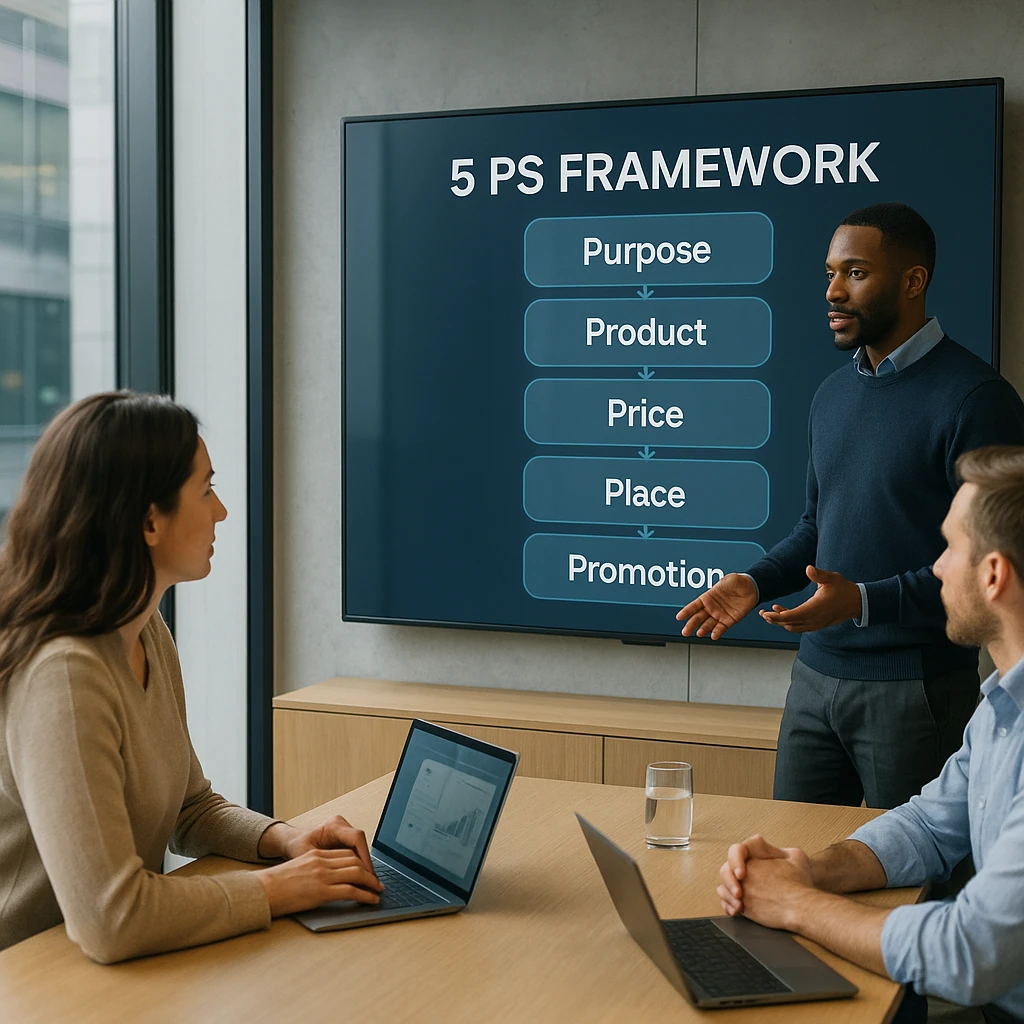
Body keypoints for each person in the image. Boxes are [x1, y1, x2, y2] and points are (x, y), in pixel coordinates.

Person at [0, 392, 384, 963]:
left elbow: (189, 809)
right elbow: (113, 918)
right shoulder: (64, 677)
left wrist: (284, 839)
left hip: (120, 975)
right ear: (150, 521)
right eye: (206, 489)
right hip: (34, 980)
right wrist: (279, 888)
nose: (222, 511)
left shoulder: (144, 629)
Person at [676, 202, 1024, 809]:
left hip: (915, 691)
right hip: (812, 681)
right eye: (831, 273)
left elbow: (994, 566)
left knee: (908, 880)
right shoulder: (832, 394)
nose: (834, 291)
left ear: (913, 281)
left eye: (856, 272)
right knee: (795, 868)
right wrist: (756, 583)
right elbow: (817, 526)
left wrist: (861, 602)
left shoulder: (978, 400)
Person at [716, 446, 1024, 1024]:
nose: (935, 567)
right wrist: (805, 867)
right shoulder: (1002, 706)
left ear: (992, 575)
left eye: (950, 547)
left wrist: (797, 905)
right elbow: (928, 826)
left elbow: (970, 951)